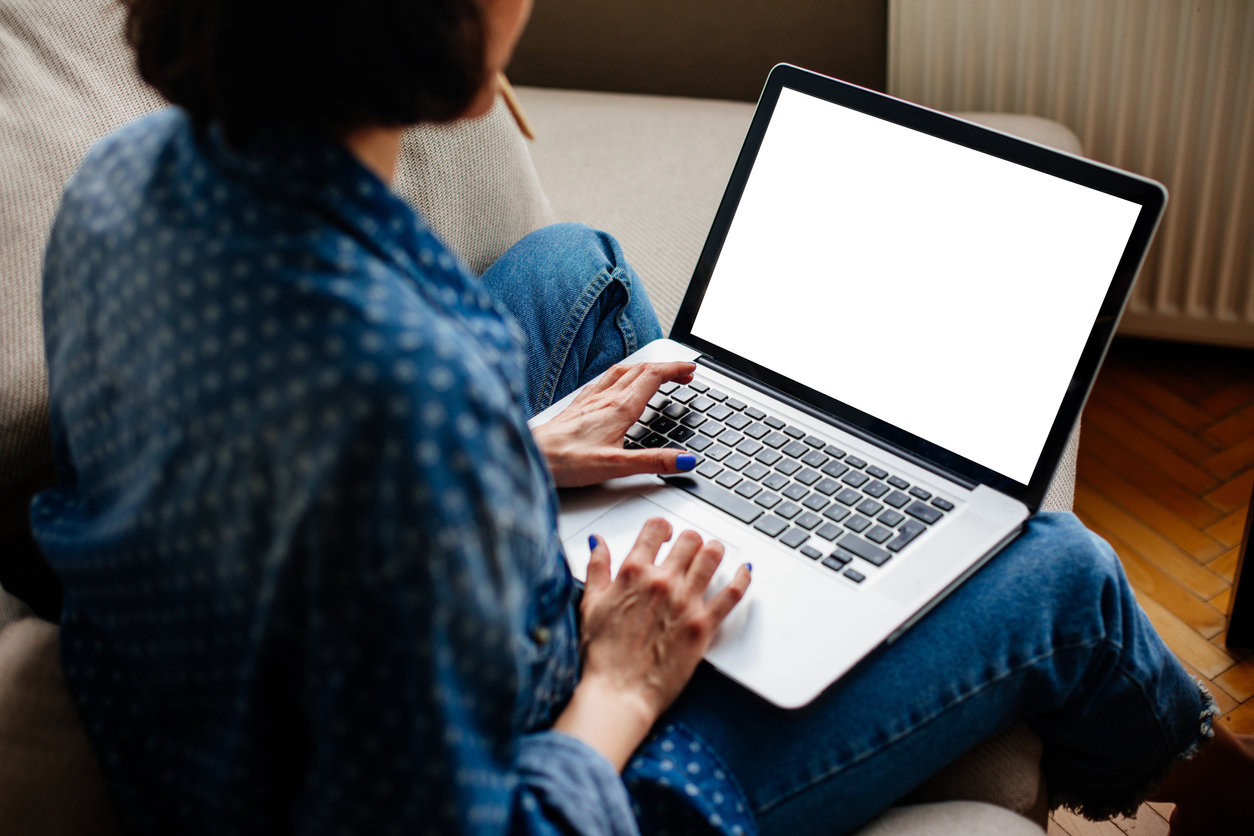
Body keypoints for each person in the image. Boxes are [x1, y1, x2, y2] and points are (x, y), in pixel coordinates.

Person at [31, 0, 1252, 834]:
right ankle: (1193, 774)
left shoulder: (123, 185)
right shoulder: (414, 396)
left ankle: (762, 512)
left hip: (234, 656)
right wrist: (621, 675)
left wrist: (515, 460)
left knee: (575, 266)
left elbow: (261, 463)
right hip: (518, 756)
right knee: (1063, 573)